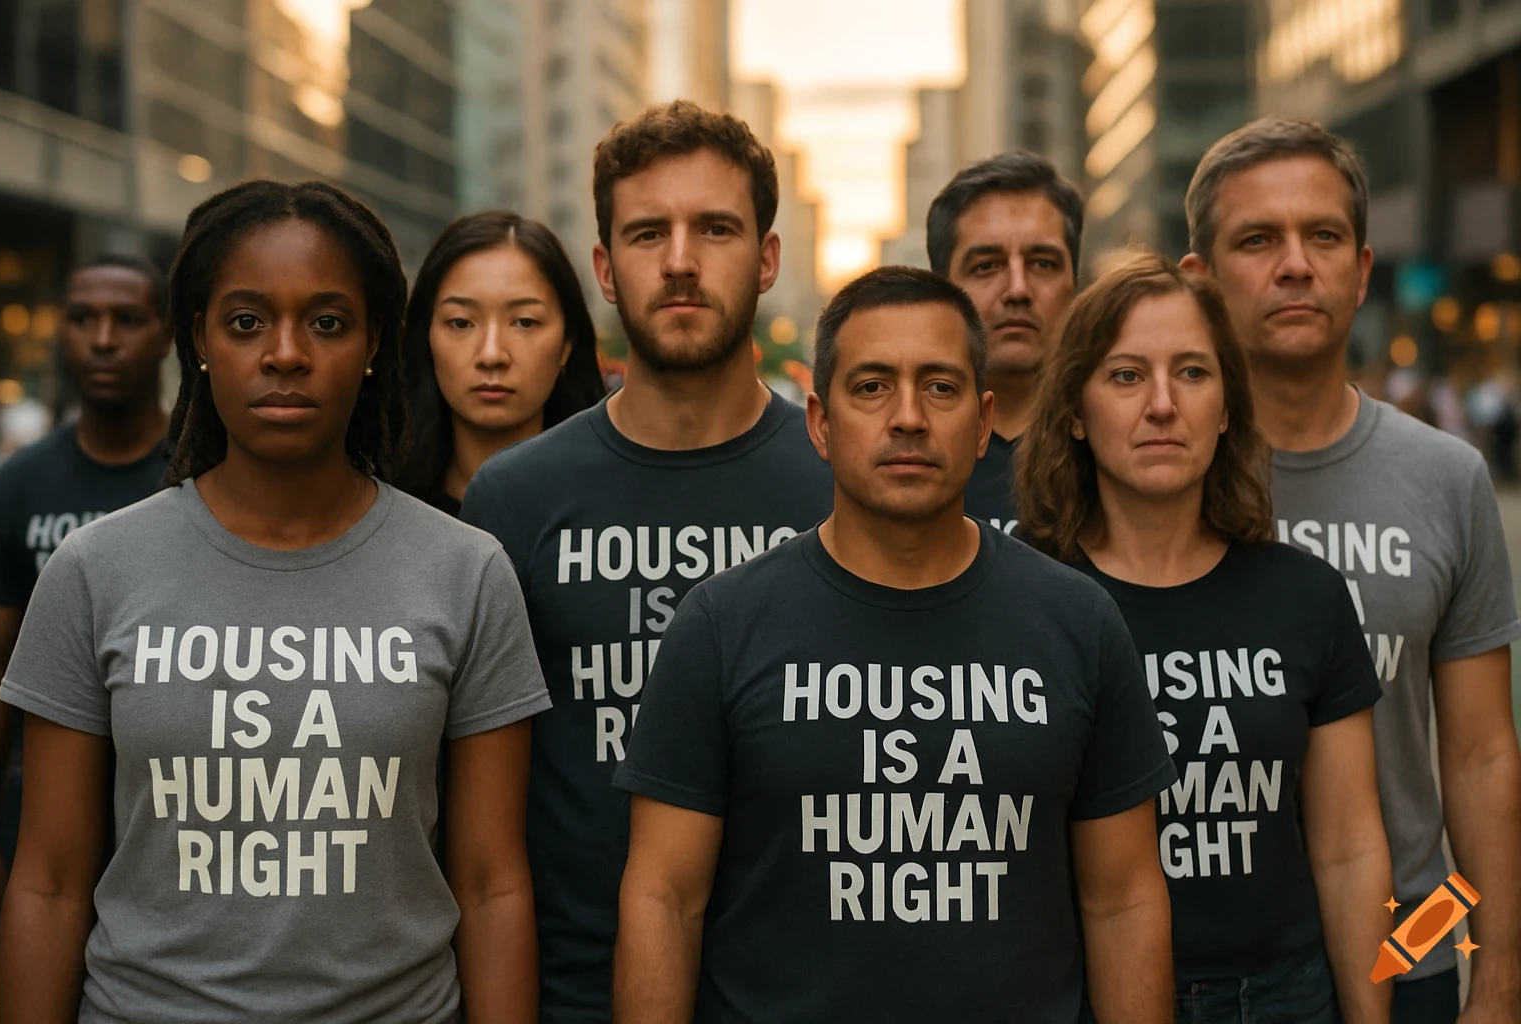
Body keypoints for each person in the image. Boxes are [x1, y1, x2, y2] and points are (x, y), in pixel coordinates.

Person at [0, 179, 550, 1023]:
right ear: (200, 341)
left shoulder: (466, 571)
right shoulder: (95, 569)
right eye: (247, 321)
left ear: (372, 345)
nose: (285, 352)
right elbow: (49, 882)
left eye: (327, 322)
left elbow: (491, 885)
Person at [614, 266, 1177, 1023]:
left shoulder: (1078, 620)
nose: (908, 417)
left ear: (983, 424)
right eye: (872, 386)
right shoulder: (720, 624)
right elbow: (663, 899)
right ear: (819, 421)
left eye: (940, 388)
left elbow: (1124, 901)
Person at [458, 100, 832, 1021]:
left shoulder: (838, 480)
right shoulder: (514, 499)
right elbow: (480, 838)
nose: (679, 260)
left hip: (798, 985)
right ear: (604, 270)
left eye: (715, 228)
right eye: (646, 232)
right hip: (572, 989)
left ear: (769, 258)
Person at [1181, 118, 1521, 1024]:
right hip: (1203, 971)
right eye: (1258, 240)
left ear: (1362, 270)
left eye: (1322, 237)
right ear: (1200, 282)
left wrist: (1498, 973)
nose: (1296, 265)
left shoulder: (1448, 478)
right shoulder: (1154, 478)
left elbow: (1482, 754)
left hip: (1408, 946)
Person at [1017, 251, 1393, 1023]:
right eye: (1126, 376)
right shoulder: (1019, 596)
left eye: (1192, 373)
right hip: (1080, 991)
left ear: (1226, 407)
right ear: (1076, 413)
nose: (1162, 405)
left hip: (1285, 998)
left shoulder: (1305, 594)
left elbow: (1350, 847)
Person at [0, 253, 173, 934]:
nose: (102, 338)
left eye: (127, 319)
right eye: (82, 318)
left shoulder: (207, 473)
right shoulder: (18, 486)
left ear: (167, 335)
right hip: (43, 813)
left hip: (173, 817)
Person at [395, 211, 607, 515]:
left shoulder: (610, 513)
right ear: (426, 336)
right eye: (461, 323)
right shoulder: (378, 514)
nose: (492, 355)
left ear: (566, 345)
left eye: (524, 322)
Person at [925, 151, 1083, 532]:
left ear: (1075, 285)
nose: (1018, 290)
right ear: (943, 290)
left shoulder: (1125, 448)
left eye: (1043, 263)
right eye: (987, 266)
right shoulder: (905, 450)